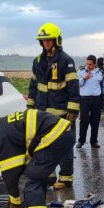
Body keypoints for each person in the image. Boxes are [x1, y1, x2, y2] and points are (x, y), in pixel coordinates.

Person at [27, 22, 80, 188]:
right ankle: (48, 177)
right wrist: (30, 107)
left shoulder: (66, 60)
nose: (46, 43)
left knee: (64, 147)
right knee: (43, 145)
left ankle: (66, 178)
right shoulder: (38, 61)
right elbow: (33, 85)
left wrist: (73, 110)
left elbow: (73, 87)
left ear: (57, 40)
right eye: (44, 40)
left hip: (62, 114)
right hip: (42, 115)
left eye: (49, 40)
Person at [76, 55, 104, 148]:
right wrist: (84, 78)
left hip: (96, 100)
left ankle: (94, 141)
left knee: (95, 121)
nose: (88, 66)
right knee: (84, 121)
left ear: (95, 64)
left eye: (90, 64)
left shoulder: (99, 73)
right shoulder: (80, 71)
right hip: (84, 99)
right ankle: (81, 141)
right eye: (87, 64)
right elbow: (76, 84)